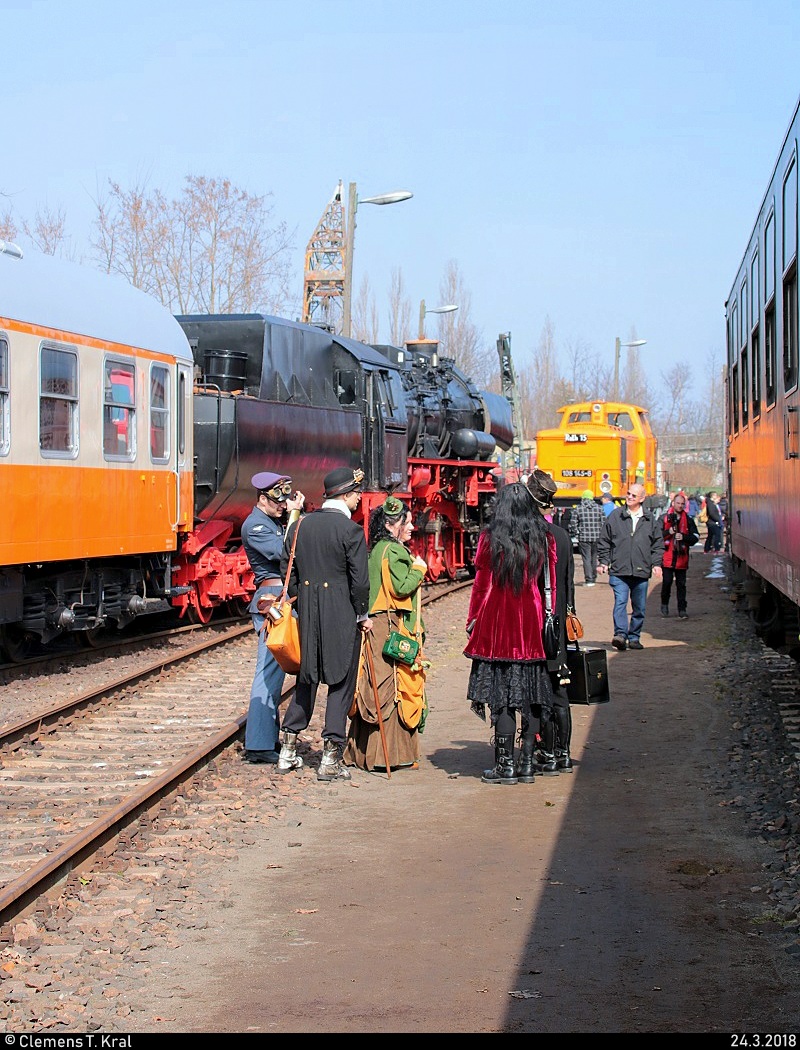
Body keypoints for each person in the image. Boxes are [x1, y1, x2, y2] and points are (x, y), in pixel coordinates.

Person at [277, 466, 372, 782]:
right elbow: (360, 583)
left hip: (307, 611)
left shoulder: (300, 525)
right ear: (345, 494)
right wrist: (362, 614)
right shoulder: (351, 531)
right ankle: (330, 759)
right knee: (341, 680)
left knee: (307, 677)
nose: (359, 499)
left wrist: (299, 598)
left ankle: (288, 749)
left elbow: (286, 568)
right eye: (357, 493)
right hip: (342, 613)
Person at [464, 481, 555, 785]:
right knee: (530, 694)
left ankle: (505, 766)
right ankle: (527, 763)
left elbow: (480, 583)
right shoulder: (543, 536)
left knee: (501, 696)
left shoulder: (491, 537)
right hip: (530, 619)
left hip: (498, 620)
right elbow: (549, 582)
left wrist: (473, 619)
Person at [344, 497, 429, 772]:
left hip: (376, 624)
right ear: (393, 524)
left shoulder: (377, 549)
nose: (412, 527)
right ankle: (388, 756)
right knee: (394, 684)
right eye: (408, 522)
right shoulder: (393, 551)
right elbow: (402, 587)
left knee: (372, 682)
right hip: (390, 627)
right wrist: (419, 568)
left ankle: (364, 753)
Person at [240, 471, 305, 764]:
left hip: (281, 601)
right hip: (271, 603)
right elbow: (285, 552)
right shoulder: (255, 526)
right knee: (268, 672)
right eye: (278, 501)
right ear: (262, 498)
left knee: (275, 673)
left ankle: (268, 738)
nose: (283, 506)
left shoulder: (271, 522)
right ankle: (258, 744)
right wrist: (294, 517)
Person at [527, 469, 576, 776]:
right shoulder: (562, 536)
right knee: (559, 688)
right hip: (558, 624)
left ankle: (543, 751)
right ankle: (564, 753)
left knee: (535, 689)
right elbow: (569, 586)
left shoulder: (525, 537)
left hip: (533, 625)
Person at [597, 481, 663, 651]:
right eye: (628, 494)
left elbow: (657, 544)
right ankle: (620, 635)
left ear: (642, 498)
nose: (629, 497)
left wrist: (656, 564)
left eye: (633, 495)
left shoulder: (649, 519)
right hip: (619, 569)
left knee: (639, 607)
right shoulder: (615, 516)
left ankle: (634, 637)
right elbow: (605, 540)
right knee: (620, 602)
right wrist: (604, 561)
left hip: (641, 570)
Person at [660, 490, 700, 619]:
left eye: (682, 504)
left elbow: (695, 537)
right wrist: (669, 532)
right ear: (673, 503)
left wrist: (683, 537)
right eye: (678, 503)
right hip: (667, 557)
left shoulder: (688, 520)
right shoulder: (664, 518)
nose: (680, 506)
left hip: (682, 558)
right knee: (667, 582)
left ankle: (682, 609)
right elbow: (655, 536)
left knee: (681, 585)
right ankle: (664, 605)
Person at [569, 489, 605, 586]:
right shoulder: (599, 508)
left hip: (584, 537)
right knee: (594, 558)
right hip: (597, 537)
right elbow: (603, 523)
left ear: (583, 498)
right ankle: (593, 577)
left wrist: (576, 533)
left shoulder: (578, 508)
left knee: (586, 558)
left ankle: (589, 580)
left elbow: (573, 523)